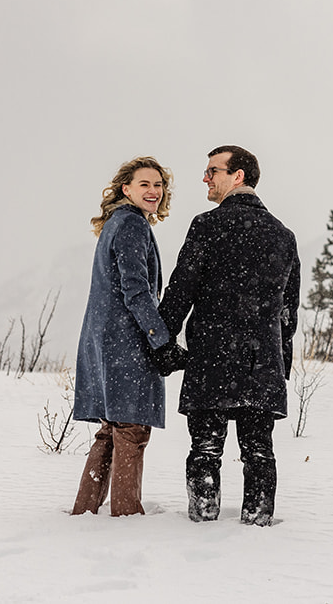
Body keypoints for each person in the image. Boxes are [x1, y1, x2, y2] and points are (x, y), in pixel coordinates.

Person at [159, 144, 300, 525]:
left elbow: (180, 291)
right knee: (259, 450)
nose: (205, 177)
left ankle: (203, 522)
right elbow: (289, 313)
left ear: (238, 176)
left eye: (213, 171)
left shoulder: (207, 226)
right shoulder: (284, 236)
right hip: (261, 362)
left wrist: (160, 340)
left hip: (212, 358)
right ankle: (258, 522)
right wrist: (279, 367)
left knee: (205, 450)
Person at [70, 157, 186, 517]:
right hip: (125, 342)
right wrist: (161, 340)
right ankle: (126, 516)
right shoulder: (132, 225)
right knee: (131, 430)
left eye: (158, 185)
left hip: (103, 339)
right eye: (145, 185)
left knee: (111, 429)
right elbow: (136, 290)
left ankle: (86, 511)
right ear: (126, 188)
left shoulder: (115, 223)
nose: (153, 191)